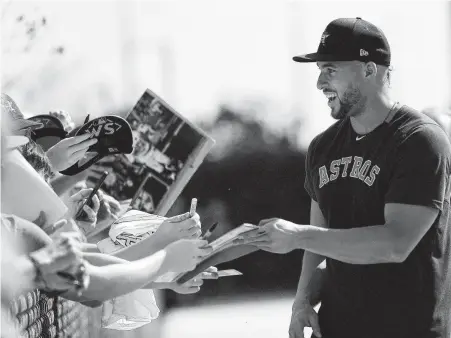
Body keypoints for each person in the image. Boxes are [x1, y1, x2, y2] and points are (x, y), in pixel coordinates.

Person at [237, 17, 451, 338]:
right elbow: (320, 244)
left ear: (369, 69)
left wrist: (297, 235)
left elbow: (395, 243)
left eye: (331, 70)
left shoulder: (419, 140)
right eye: (320, 70)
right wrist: (302, 301)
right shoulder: (322, 147)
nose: (320, 83)